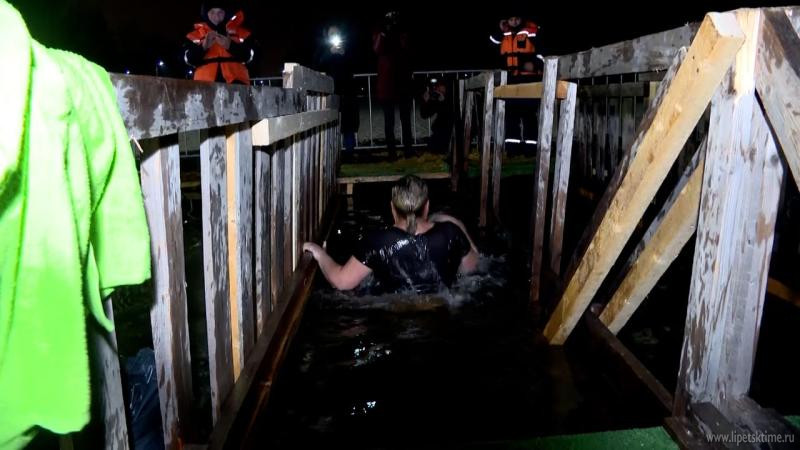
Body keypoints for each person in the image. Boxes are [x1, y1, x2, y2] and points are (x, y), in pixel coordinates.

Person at [303, 175, 479, 294]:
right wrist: (457, 225)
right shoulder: (450, 232)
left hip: (395, 316)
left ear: (392, 208)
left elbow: (341, 282)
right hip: (443, 310)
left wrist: (320, 254)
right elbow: (472, 269)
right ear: (427, 205)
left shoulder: (377, 241)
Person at [489, 15, 542, 155]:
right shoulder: (502, 33)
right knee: (511, 115)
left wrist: (535, 64)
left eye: (516, 19)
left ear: (521, 18)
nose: (514, 22)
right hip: (510, 80)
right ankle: (512, 150)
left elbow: (543, 53)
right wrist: (500, 30)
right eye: (511, 19)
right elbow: (491, 48)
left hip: (529, 80)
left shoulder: (532, 31)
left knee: (529, 115)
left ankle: (531, 150)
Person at [373, 11, 414, 160]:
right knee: (389, 121)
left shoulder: (403, 31)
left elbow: (408, 51)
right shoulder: (381, 30)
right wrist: (384, 32)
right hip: (388, 83)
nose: (392, 19)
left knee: (405, 119)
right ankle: (392, 153)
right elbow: (377, 49)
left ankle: (408, 151)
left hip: (402, 81)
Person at [315, 25, 360, 160]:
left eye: (336, 33)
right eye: (331, 34)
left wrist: (344, 54)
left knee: (349, 125)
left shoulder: (348, 48)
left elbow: (357, 64)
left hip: (348, 92)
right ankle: (332, 156)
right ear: (327, 36)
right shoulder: (323, 49)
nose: (334, 36)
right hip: (331, 92)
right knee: (331, 125)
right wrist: (330, 53)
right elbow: (318, 64)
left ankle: (350, 153)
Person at [184, 3, 254, 84]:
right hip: (204, 85)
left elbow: (250, 57)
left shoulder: (240, 32)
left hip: (237, 84)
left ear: (225, 13)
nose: (216, 16)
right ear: (206, 14)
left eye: (220, 12)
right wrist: (203, 47)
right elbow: (188, 60)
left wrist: (231, 46)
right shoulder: (195, 35)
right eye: (212, 12)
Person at [420, 79, 455, 156]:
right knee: (433, 147)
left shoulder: (453, 96)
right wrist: (425, 102)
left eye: (441, 87)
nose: (439, 90)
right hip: (441, 131)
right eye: (437, 88)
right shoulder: (437, 98)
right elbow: (424, 115)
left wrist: (443, 102)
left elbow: (450, 114)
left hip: (453, 130)